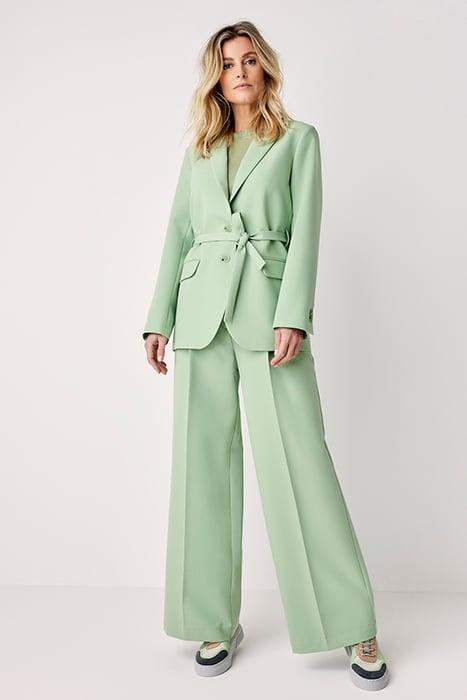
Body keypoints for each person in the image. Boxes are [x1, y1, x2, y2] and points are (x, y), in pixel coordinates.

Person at [142, 20, 390, 691]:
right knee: (199, 469)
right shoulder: (199, 150)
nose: (240, 71)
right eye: (228, 63)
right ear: (216, 79)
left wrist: (293, 315)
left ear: (265, 68)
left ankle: (351, 620)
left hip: (268, 314)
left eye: (249, 59)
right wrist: (158, 319)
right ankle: (210, 619)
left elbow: (305, 230)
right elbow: (177, 234)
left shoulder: (297, 140)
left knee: (300, 462)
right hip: (200, 317)